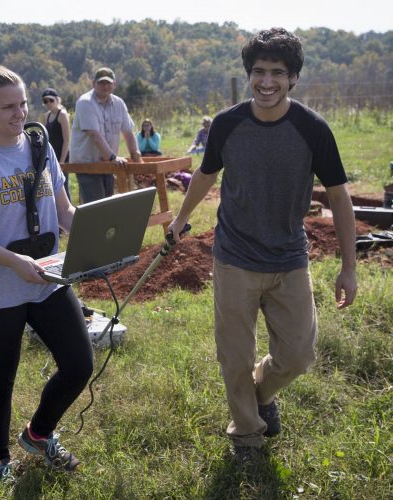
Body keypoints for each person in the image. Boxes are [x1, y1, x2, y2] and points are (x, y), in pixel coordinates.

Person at [169, 28, 357, 462]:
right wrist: (180, 219)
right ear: (248, 74)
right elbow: (205, 174)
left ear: (293, 78)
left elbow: (340, 196)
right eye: (258, 72)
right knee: (234, 355)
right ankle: (247, 435)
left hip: (289, 257)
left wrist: (349, 267)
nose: (266, 81)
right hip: (234, 257)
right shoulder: (227, 124)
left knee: (298, 354)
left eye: (278, 72)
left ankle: (260, 392)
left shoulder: (312, 129)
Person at [0, 66, 93, 482]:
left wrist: (101, 233)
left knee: (79, 364)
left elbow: (63, 213)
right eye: (7, 106)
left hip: (48, 281)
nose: (19, 113)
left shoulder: (39, 147)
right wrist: (15, 264)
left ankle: (39, 434)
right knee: (1, 376)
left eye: (23, 103)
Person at [69, 67, 143, 203]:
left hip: (108, 165)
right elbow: (94, 134)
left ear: (114, 85)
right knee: (95, 206)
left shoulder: (119, 104)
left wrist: (136, 156)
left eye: (108, 83)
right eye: (101, 83)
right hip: (87, 165)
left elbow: (128, 132)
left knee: (108, 204)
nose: (105, 86)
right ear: (93, 84)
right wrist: (113, 157)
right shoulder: (85, 102)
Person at [42, 87, 71, 200]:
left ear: (57, 99)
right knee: (51, 189)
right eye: (45, 101)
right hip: (51, 156)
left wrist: (62, 162)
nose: (48, 103)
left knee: (64, 188)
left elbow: (67, 140)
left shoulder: (62, 114)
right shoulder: (47, 116)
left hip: (62, 156)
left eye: (51, 100)